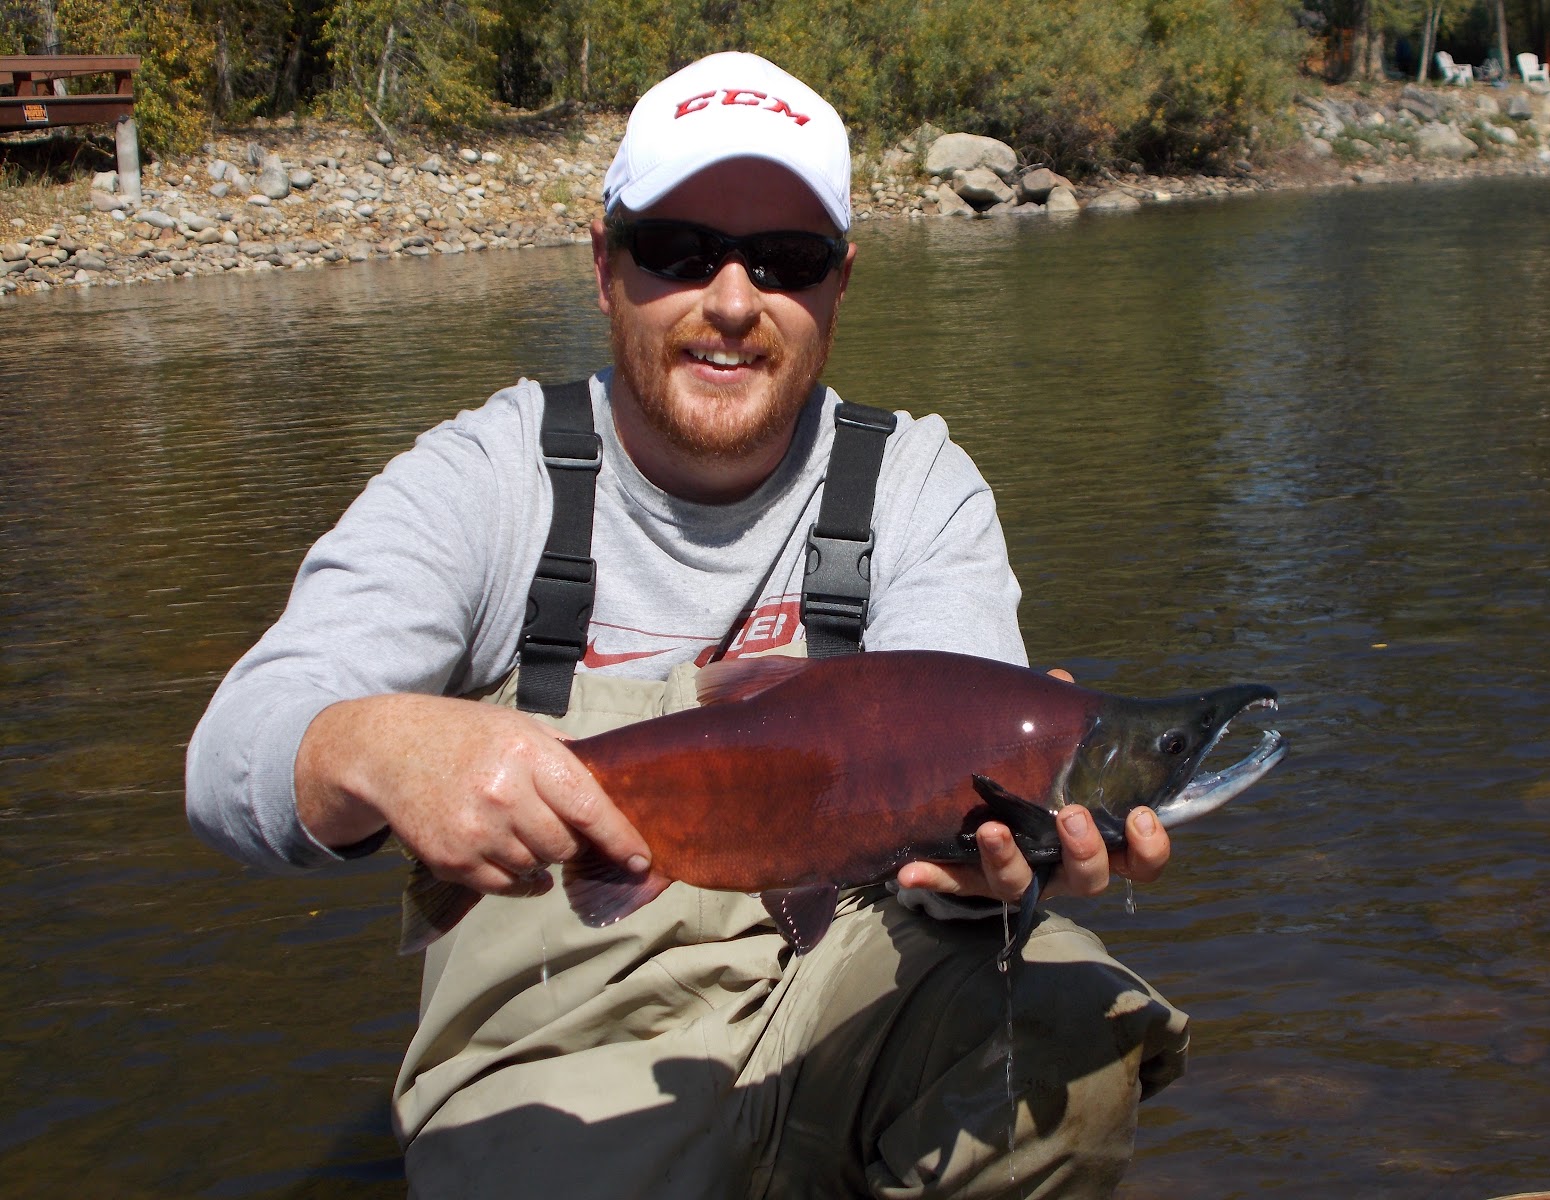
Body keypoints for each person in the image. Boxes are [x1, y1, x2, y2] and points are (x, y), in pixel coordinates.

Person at [187, 50, 1188, 1199]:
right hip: (561, 1051)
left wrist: (1008, 858)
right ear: (604, 264)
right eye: (677, 250)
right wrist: (371, 747)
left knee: (1071, 1009)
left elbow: (962, 830)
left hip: (847, 1002)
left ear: (840, 284)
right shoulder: (486, 478)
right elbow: (231, 761)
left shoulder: (915, 484)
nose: (730, 300)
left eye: (786, 260)